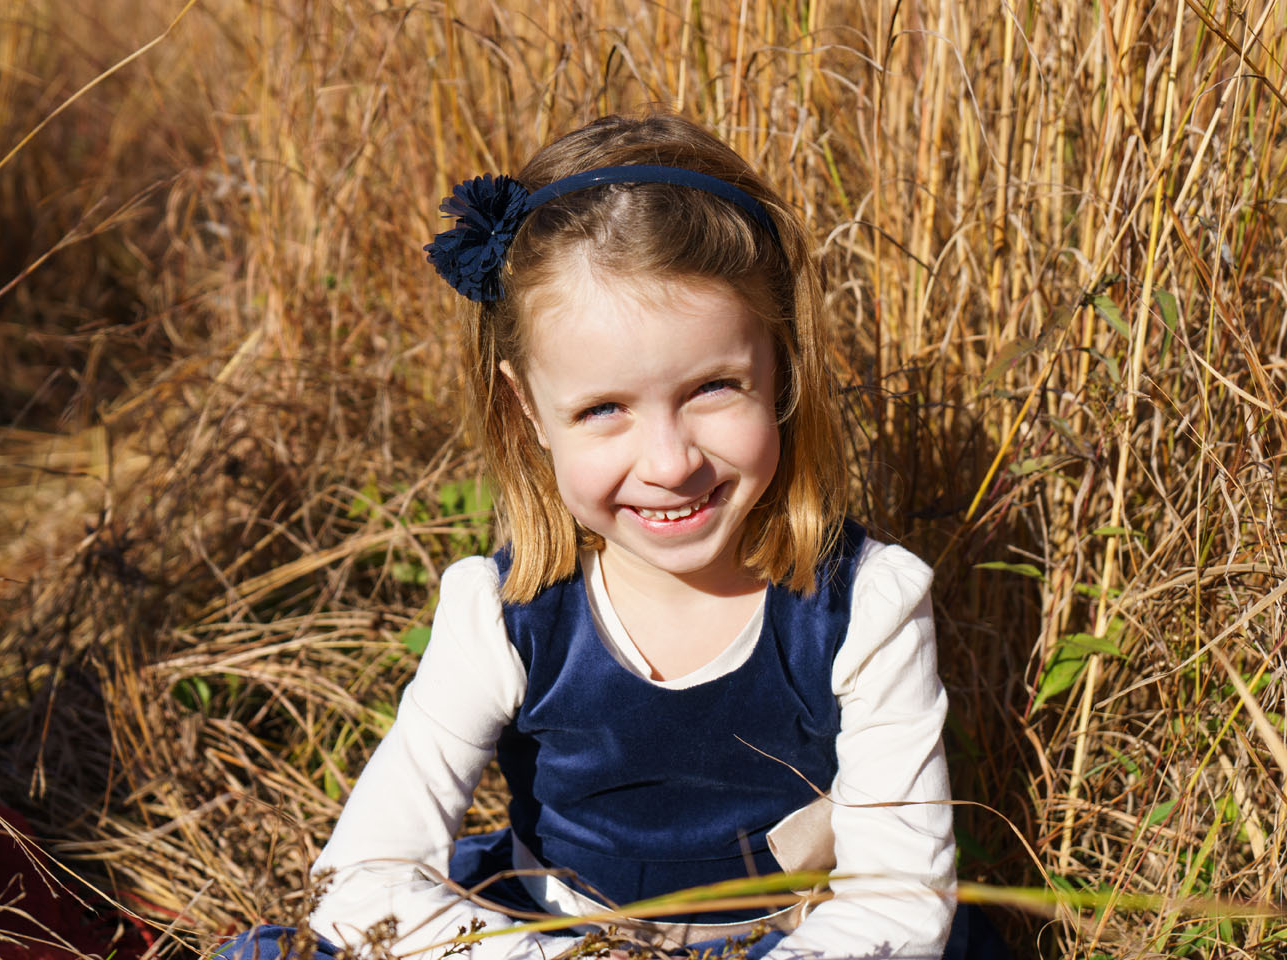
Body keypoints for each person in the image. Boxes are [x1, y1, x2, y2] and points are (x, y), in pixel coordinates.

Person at [221, 112, 999, 960]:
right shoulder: (504, 612)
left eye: (714, 388)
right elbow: (365, 877)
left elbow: (895, 909)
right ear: (530, 412)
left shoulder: (864, 604)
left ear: (780, 369)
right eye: (604, 409)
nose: (668, 462)